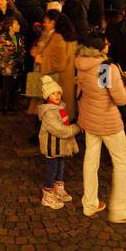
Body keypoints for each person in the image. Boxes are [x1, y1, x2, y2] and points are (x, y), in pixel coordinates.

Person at [75, 34, 126, 224]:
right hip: (107, 122)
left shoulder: (82, 62)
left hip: (89, 118)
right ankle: (121, 211)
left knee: (91, 160)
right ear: (101, 47)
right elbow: (120, 98)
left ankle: (89, 204)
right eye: (107, 42)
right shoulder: (105, 68)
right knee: (123, 163)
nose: (109, 44)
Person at [37, 75, 80, 208]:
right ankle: (48, 193)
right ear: (47, 96)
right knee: (52, 168)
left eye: (58, 93)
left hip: (60, 146)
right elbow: (61, 130)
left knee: (60, 166)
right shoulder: (49, 112)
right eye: (53, 93)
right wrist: (77, 127)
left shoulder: (60, 107)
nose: (57, 96)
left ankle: (58, 188)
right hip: (52, 146)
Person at [30, 11, 79, 123]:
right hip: (62, 80)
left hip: (57, 81)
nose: (44, 24)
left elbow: (59, 63)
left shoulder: (58, 37)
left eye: (46, 22)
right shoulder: (64, 35)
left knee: (55, 114)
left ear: (53, 22)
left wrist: (41, 60)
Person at [0, 15, 26, 113]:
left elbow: (23, 51)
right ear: (10, 26)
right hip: (7, 68)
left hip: (18, 67)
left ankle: (12, 106)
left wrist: (20, 55)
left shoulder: (20, 36)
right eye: (16, 24)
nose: (18, 26)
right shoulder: (3, 37)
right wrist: (18, 55)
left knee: (14, 88)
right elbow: (3, 53)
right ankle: (3, 107)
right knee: (6, 88)